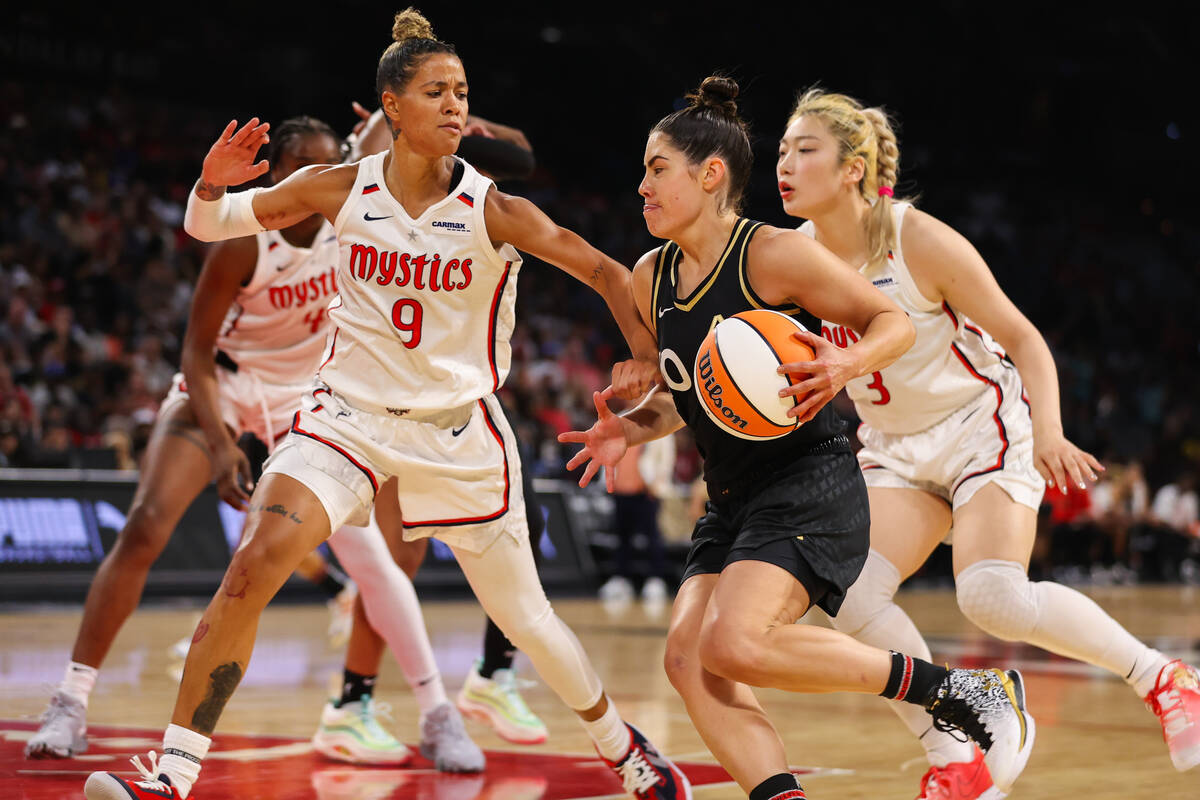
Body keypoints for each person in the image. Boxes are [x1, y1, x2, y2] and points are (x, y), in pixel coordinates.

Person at [83, 9, 685, 800]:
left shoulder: (492, 208)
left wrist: (645, 353)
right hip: (347, 423)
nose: (455, 106)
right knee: (250, 568)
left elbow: (608, 271)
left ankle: (624, 748)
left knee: (530, 622)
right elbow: (211, 224)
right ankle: (172, 776)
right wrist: (208, 182)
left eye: (462, 92)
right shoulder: (339, 188)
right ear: (391, 107)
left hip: (459, 434)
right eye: (436, 91)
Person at [559, 76, 1035, 800]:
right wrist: (631, 428)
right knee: (689, 663)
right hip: (732, 496)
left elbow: (893, 322)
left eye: (657, 169)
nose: (642, 187)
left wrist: (849, 359)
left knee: (735, 643)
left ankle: (965, 692)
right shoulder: (651, 277)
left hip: (807, 481)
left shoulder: (772, 256)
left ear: (709, 174)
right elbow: (698, 400)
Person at [23, 114, 481, 772]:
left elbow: (388, 137)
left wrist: (400, 98)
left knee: (373, 561)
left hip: (308, 398)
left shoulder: (350, 212)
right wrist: (219, 439)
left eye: (333, 163)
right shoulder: (244, 242)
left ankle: (437, 714)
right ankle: (71, 699)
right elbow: (197, 351)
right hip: (227, 385)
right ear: (281, 171)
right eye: (308, 166)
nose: (323, 175)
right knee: (147, 525)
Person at [777, 88, 1200, 798]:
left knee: (991, 597)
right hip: (895, 447)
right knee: (846, 592)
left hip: (981, 423)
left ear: (852, 169)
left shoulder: (920, 240)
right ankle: (957, 752)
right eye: (783, 150)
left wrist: (1052, 430)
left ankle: (1164, 677)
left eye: (804, 149)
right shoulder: (796, 255)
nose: (784, 163)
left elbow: (1024, 337)